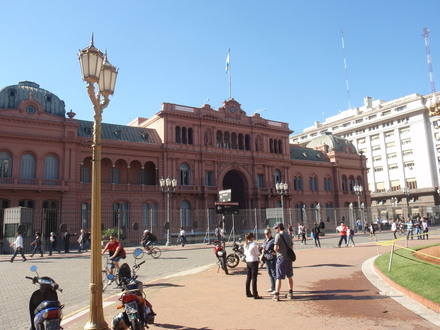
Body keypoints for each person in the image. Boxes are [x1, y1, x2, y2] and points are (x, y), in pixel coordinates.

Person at [273, 222, 294, 301]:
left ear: (278, 228)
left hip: (281, 258)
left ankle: (276, 294)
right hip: (289, 258)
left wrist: (279, 251)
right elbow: (291, 246)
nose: (275, 230)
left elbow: (275, 248)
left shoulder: (278, 236)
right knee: (289, 276)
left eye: (275, 228)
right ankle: (290, 292)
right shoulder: (288, 235)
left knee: (279, 277)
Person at [243, 232, 262, 299]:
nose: (254, 237)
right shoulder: (254, 244)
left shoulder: (245, 244)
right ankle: (255, 294)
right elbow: (258, 253)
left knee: (248, 278)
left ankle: (248, 292)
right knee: (254, 278)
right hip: (254, 261)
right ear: (251, 238)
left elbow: (245, 253)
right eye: (253, 236)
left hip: (248, 261)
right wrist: (259, 250)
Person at [262, 228, 277, 294]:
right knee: (269, 273)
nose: (266, 235)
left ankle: (276, 289)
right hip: (266, 258)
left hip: (272, 258)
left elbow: (269, 249)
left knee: (273, 273)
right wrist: (261, 249)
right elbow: (263, 247)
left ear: (270, 233)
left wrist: (265, 250)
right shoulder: (265, 241)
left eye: (267, 233)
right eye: (265, 234)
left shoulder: (273, 240)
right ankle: (272, 287)